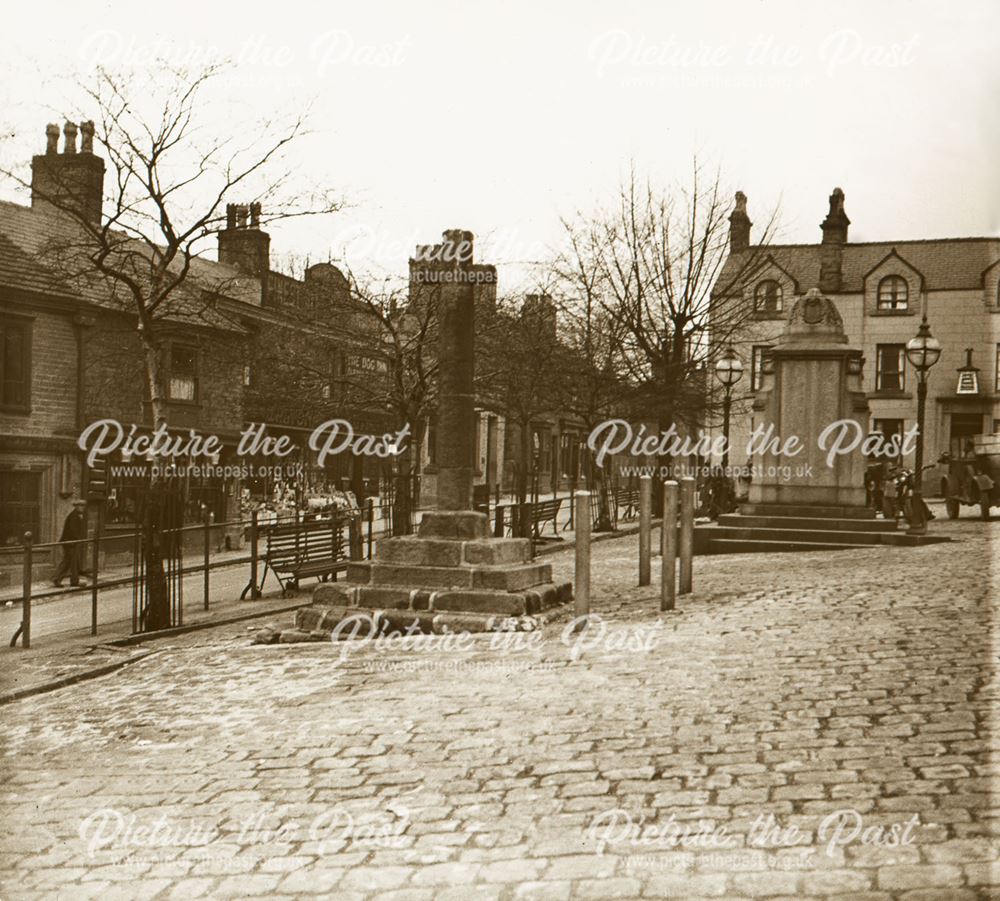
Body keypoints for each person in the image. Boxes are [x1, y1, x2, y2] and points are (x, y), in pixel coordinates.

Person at [53, 499, 92, 587]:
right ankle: (69, 580)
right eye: (80, 506)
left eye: (83, 506)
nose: (82, 508)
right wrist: (77, 540)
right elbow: (73, 531)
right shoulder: (74, 516)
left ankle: (60, 579)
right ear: (76, 507)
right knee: (71, 562)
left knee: (69, 562)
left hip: (70, 542)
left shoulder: (76, 515)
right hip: (70, 542)